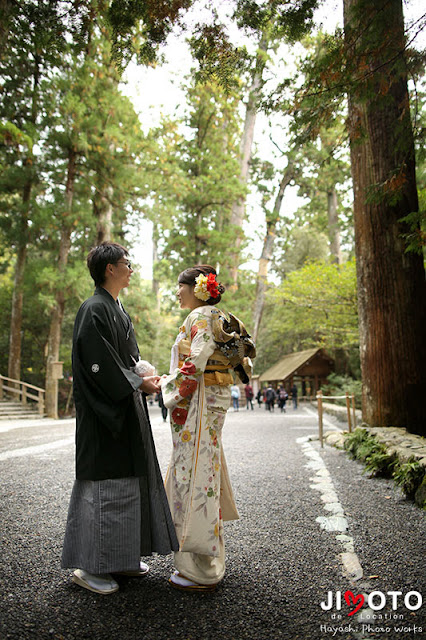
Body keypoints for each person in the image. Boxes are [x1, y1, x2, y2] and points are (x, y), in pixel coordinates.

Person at [61, 242, 178, 595]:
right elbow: (97, 365)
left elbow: (124, 358)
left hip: (125, 408)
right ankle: (90, 566)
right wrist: (135, 381)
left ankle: (120, 556)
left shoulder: (116, 307)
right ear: (109, 269)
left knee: (128, 485)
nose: (130, 269)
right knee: (105, 488)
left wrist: (142, 374)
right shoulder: (93, 308)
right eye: (126, 263)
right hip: (104, 416)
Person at [161, 265, 249, 591]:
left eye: (180, 287)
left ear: (195, 289)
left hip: (198, 399)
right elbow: (244, 361)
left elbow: (194, 362)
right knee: (206, 470)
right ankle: (210, 557)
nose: (177, 292)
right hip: (217, 400)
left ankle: (199, 567)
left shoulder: (198, 317)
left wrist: (169, 392)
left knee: (193, 475)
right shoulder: (223, 316)